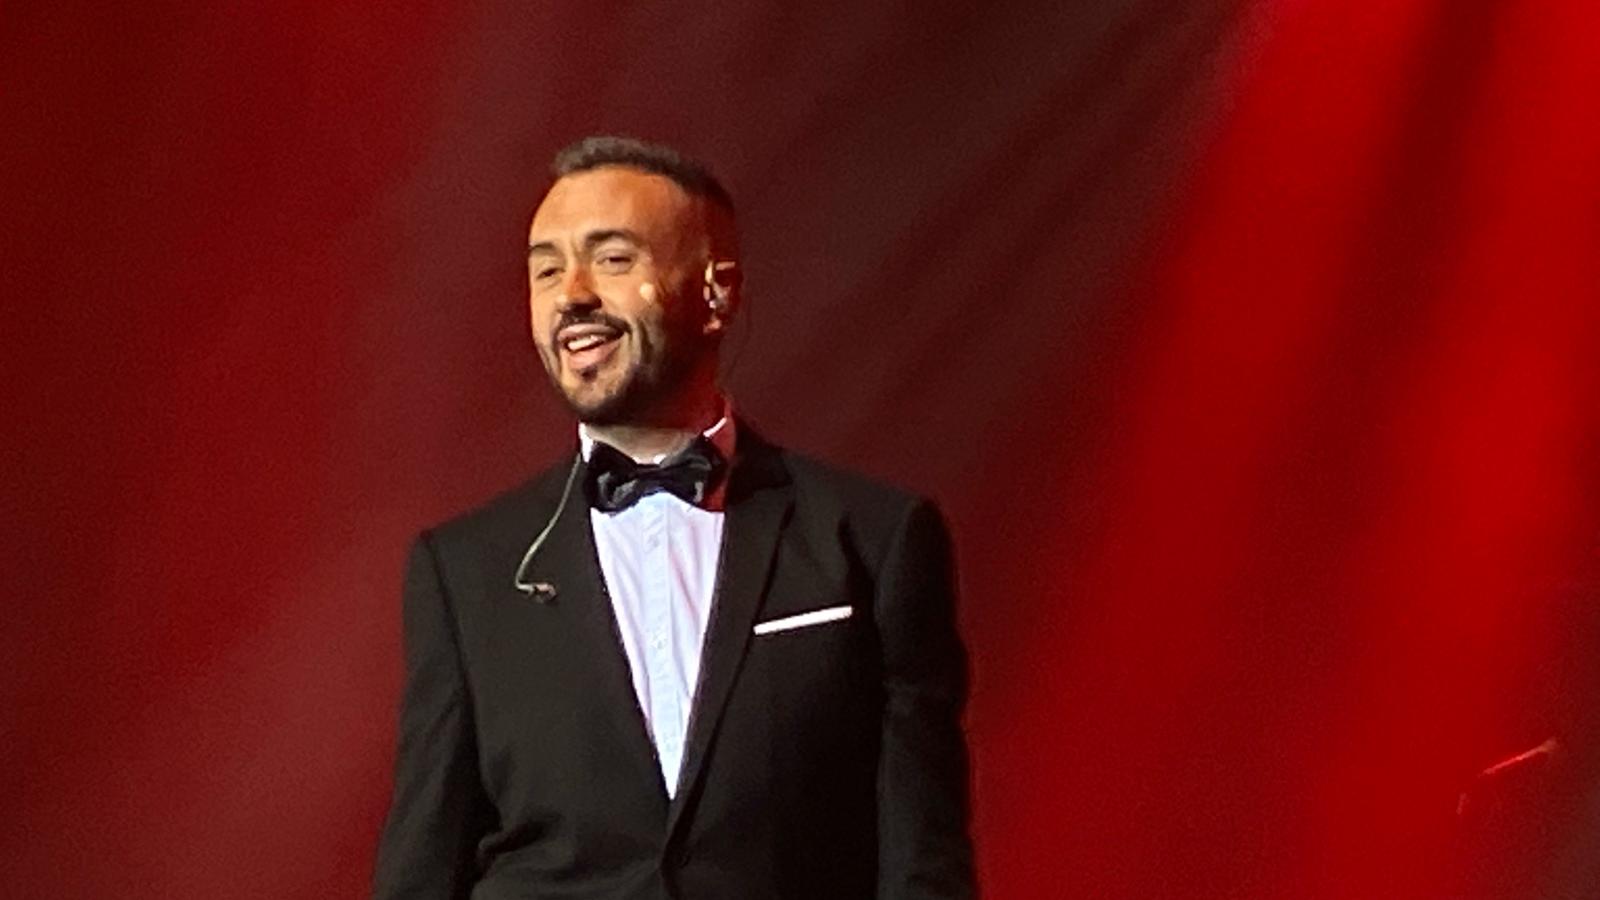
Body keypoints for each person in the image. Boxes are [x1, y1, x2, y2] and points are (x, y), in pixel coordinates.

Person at [372, 135, 976, 899]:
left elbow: (924, 864)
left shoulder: (873, 542)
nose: (572, 294)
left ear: (717, 293)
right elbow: (422, 868)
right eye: (546, 269)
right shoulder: (466, 572)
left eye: (612, 258)